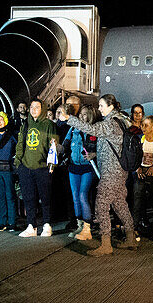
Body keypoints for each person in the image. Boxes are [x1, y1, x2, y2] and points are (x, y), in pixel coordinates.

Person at [58, 95, 137, 256]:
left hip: (110, 172)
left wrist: (70, 119)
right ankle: (130, 236)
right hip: (119, 170)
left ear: (111, 106)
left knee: (101, 205)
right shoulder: (121, 120)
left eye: (101, 105)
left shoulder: (111, 123)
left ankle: (106, 243)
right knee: (120, 204)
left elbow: (92, 129)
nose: (99, 109)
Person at [15, 98, 58, 237]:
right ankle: (31, 226)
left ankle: (47, 224)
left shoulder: (48, 124)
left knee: (45, 197)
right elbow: (20, 144)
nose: (33, 110)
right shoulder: (26, 124)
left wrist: (52, 165)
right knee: (28, 197)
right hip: (26, 167)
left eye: (37, 107)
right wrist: (19, 162)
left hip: (43, 167)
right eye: (31, 107)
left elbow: (53, 147)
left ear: (42, 109)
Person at [61, 103, 98, 241]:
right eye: (81, 114)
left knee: (83, 195)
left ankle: (88, 227)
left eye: (85, 114)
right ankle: (79, 224)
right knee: (75, 196)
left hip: (88, 167)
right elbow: (65, 145)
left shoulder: (94, 130)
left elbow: (101, 147)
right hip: (74, 166)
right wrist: (56, 148)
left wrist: (94, 154)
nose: (82, 117)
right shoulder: (72, 129)